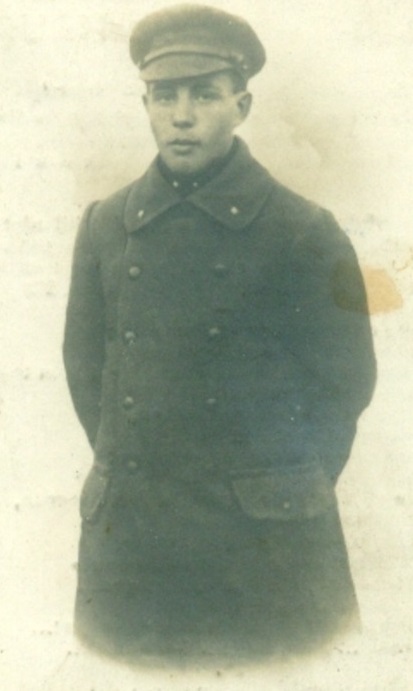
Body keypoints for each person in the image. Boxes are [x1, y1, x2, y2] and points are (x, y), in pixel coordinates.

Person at [63, 4, 376, 663]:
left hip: (265, 552)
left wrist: (281, 489)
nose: (182, 116)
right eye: (164, 95)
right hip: (132, 544)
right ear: (145, 104)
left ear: (242, 105)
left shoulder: (305, 230)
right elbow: (86, 371)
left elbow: (346, 385)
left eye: (204, 94)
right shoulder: (105, 225)